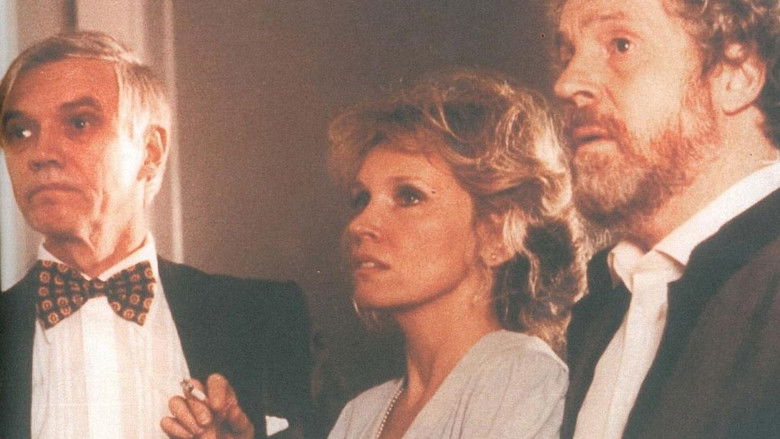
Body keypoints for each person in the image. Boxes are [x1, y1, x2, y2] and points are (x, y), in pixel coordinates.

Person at [0, 31, 312, 439]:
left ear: (150, 151)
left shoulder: (262, 318)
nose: (41, 153)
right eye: (20, 132)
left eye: (78, 123)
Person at [552, 0, 780, 437]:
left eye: (621, 45)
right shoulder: (602, 309)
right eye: (567, 55)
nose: (567, 83)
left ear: (737, 75)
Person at [326, 70, 586, 438]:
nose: (360, 224)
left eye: (408, 196)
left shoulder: (518, 377)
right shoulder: (361, 415)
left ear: (496, 236)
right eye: (361, 199)